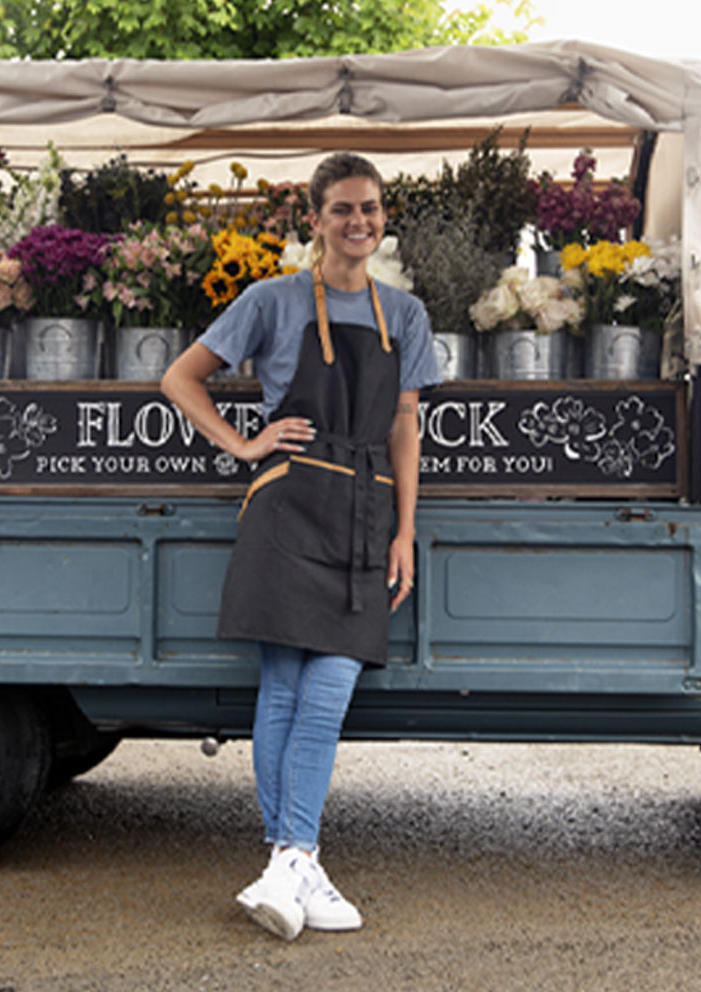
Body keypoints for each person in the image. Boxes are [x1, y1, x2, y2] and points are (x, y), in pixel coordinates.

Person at [161, 152, 439, 940]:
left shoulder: (405, 316)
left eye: (372, 209)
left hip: (364, 509)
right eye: (344, 209)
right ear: (313, 219)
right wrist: (243, 445)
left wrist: (406, 532)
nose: (360, 222)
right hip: (286, 504)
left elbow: (404, 428)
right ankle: (297, 862)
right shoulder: (271, 301)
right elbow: (180, 379)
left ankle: (287, 865)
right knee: (283, 692)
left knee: (328, 688)